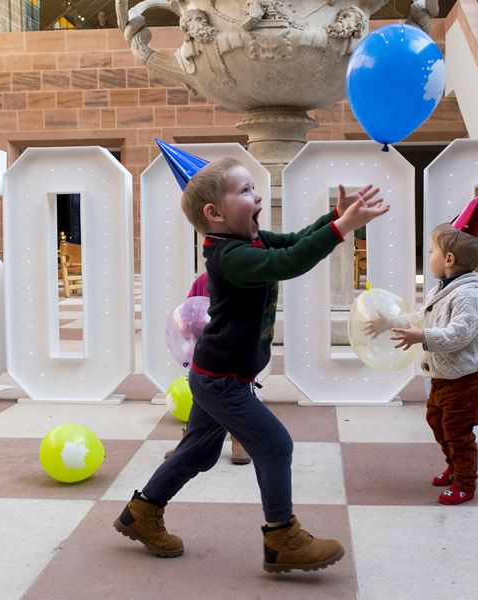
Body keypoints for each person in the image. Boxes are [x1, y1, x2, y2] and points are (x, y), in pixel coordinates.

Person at [114, 150, 389, 572]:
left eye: (254, 187)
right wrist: (340, 229)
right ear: (215, 213)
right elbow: (289, 262)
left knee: (199, 454)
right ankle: (282, 538)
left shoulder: (249, 240)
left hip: (218, 374)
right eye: (245, 190)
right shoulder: (231, 256)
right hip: (222, 380)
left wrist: (329, 219)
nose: (257, 196)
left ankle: (141, 513)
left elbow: (294, 241)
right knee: (275, 444)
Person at [365, 187, 478, 505]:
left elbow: (458, 335)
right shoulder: (443, 288)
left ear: (449, 259)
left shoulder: (468, 296)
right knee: (438, 423)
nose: (429, 256)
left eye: (431, 251)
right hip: (444, 379)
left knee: (458, 433)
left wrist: (423, 338)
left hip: (466, 382)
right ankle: (453, 465)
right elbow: (420, 319)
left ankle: (465, 482)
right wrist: (387, 324)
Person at [164, 271, 252, 465]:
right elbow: (189, 310)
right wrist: (188, 327)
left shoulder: (248, 277)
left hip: (236, 352)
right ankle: (190, 441)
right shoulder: (204, 280)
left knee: (240, 395)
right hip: (205, 350)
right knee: (200, 395)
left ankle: (239, 439)